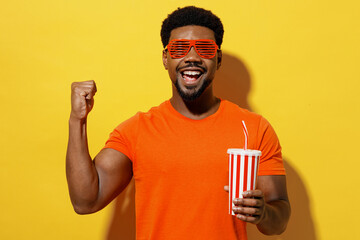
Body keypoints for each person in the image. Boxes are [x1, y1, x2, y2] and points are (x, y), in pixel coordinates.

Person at [66, 6, 290, 240]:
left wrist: (263, 213)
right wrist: (77, 120)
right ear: (166, 58)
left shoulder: (254, 128)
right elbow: (85, 201)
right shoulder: (137, 130)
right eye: (180, 49)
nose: (192, 57)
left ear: (218, 59)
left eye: (204, 49)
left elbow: (279, 220)